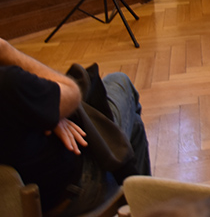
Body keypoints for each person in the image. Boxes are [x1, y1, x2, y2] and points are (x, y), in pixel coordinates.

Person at [0, 38, 150, 217]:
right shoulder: (8, 82)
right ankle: (147, 203)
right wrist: (6, 51)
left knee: (133, 125)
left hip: (10, 200)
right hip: (71, 192)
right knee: (120, 82)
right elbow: (71, 92)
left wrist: (50, 113)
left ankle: (144, 202)